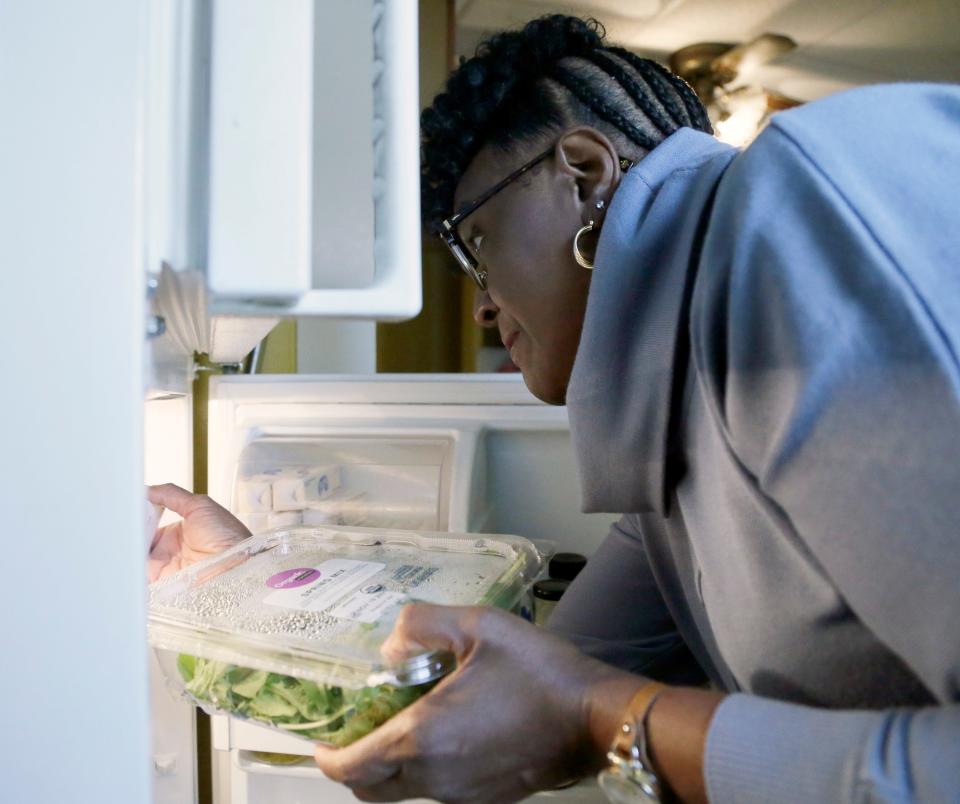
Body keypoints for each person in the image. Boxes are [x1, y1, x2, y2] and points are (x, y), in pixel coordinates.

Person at [154, 15, 960, 803]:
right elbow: (502, 707)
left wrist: (601, 718)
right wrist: (237, 583)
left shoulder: (796, 224)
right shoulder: (668, 447)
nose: (480, 306)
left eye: (477, 245)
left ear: (584, 172)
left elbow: (572, 706)